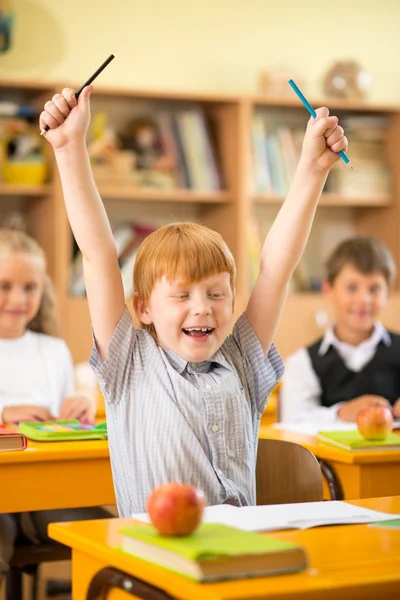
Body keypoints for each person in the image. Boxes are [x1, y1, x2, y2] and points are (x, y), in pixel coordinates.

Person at [39, 84, 348, 515]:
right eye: (181, 295)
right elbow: (98, 255)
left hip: (242, 555)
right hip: (156, 560)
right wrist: (70, 149)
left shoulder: (240, 357)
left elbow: (275, 271)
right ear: (143, 307)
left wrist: (312, 171)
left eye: (216, 294)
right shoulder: (130, 360)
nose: (202, 307)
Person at [0, 228, 111, 582]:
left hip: (47, 493)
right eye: (5, 286)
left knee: (119, 539)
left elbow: (65, 422)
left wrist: (79, 405)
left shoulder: (53, 350)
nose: (18, 298)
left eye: (30, 287)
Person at [280, 235, 400, 424]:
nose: (364, 300)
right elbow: (293, 422)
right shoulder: (302, 363)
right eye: (352, 288)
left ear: (388, 293)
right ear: (328, 288)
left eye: (374, 289)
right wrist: (341, 413)